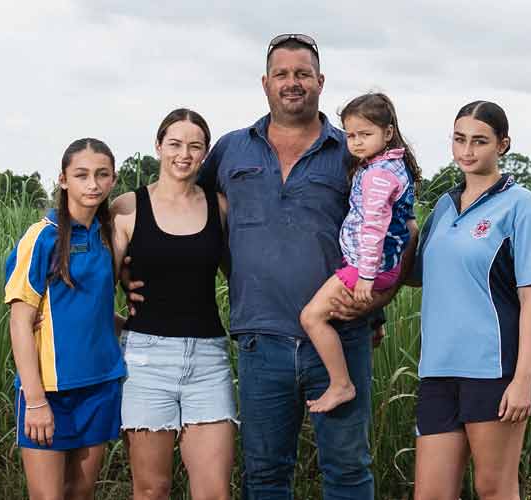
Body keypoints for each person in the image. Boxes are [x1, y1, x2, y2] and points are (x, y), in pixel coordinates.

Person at [120, 33, 403, 499]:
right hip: (259, 341)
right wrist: (130, 265)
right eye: (282, 74)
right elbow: (180, 204)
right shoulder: (232, 150)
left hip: (338, 335)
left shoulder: (351, 152)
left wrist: (379, 302)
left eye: (302, 74)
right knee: (265, 475)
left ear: (320, 81)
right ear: (265, 82)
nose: (292, 83)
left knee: (348, 469)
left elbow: (398, 230)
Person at [404, 101, 531, 500]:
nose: (467, 151)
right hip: (437, 370)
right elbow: (415, 277)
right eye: (459, 139)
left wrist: (523, 380)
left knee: (494, 490)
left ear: (503, 145)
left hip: (493, 370)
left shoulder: (521, 205)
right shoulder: (444, 205)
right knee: (431, 494)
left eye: (480, 141)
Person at [107, 109, 235, 500]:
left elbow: (243, 279)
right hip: (146, 363)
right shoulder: (127, 208)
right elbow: (97, 289)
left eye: (195, 146)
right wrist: (121, 327)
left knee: (213, 492)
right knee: (151, 490)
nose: (184, 154)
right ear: (158, 146)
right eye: (175, 144)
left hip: (208, 360)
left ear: (205, 153)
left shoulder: (221, 207)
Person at [3, 138, 125, 500]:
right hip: (49, 392)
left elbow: (96, 310)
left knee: (80, 493)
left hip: (100, 385)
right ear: (63, 179)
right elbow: (20, 322)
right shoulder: (41, 237)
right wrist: (36, 401)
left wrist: (142, 326)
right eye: (82, 175)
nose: (93, 184)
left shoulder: (109, 236)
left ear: (113, 180)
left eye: (102, 175)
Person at [298, 92, 421, 413]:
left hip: (369, 268)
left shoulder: (379, 175)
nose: (355, 142)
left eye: (365, 134)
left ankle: (341, 384)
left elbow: (374, 228)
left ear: (388, 132)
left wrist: (365, 277)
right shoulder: (388, 165)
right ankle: (342, 380)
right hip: (373, 265)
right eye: (350, 135)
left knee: (311, 317)